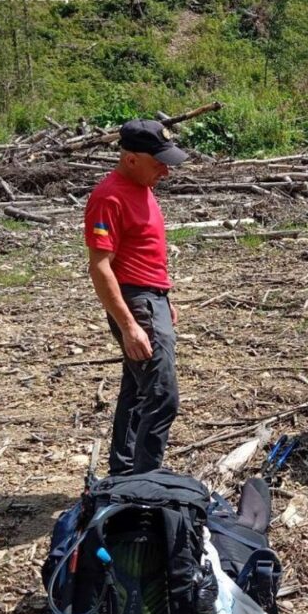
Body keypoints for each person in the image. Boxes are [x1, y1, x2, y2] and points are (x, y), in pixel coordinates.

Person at [84, 119, 188, 475]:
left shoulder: (143, 187)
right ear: (130, 158)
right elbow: (100, 267)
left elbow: (145, 252)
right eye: (158, 162)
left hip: (152, 298)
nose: (166, 171)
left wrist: (165, 297)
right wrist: (130, 325)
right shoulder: (108, 197)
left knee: (138, 388)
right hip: (136, 303)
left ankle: (124, 470)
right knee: (161, 396)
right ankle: (145, 485)